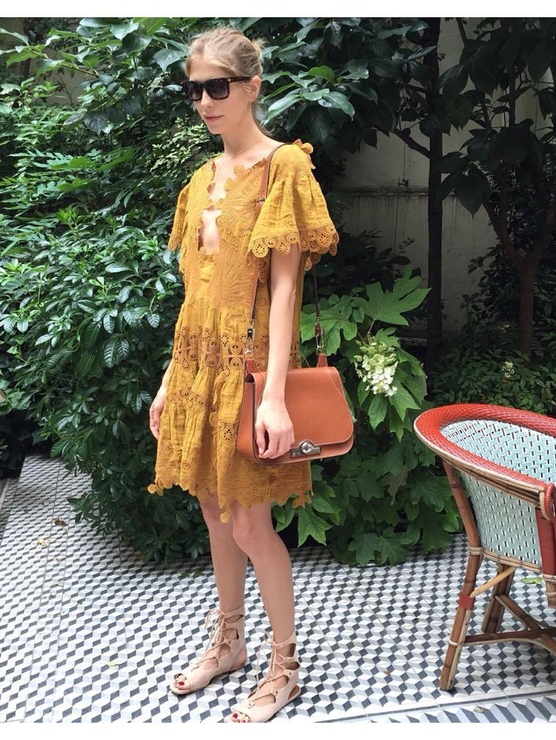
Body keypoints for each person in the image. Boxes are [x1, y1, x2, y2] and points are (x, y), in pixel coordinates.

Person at [147, 26, 339, 723]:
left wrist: (276, 399)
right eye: (195, 89)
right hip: (197, 368)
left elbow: (284, 293)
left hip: (251, 374)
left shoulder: (283, 168)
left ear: (252, 86)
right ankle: (229, 643)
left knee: (253, 526)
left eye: (217, 87)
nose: (204, 101)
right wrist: (170, 381)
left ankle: (284, 666)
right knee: (212, 513)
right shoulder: (201, 179)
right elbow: (192, 295)